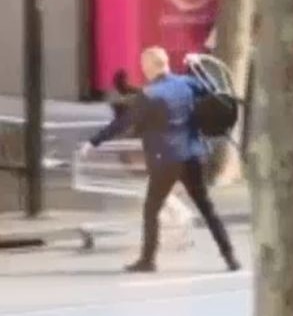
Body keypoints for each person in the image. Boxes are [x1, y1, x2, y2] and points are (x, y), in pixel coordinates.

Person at [81, 47, 240, 272]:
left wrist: (93, 142)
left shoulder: (150, 95)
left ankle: (148, 260)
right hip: (193, 155)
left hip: (165, 159)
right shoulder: (187, 83)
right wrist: (198, 65)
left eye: (143, 65)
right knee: (207, 208)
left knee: (151, 210)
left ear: (150, 66)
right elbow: (214, 92)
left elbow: (123, 122)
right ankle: (230, 256)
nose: (142, 70)